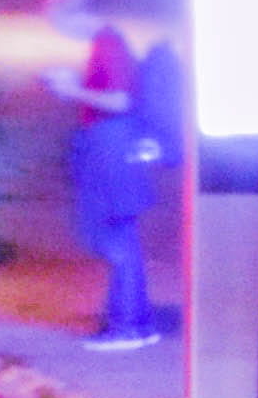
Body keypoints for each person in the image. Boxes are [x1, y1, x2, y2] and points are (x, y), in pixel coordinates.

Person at [72, 25, 179, 347]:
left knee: (117, 241)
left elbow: (120, 101)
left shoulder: (109, 43)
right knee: (122, 240)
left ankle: (128, 326)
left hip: (113, 150)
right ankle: (136, 322)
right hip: (119, 148)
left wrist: (72, 90)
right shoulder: (113, 41)